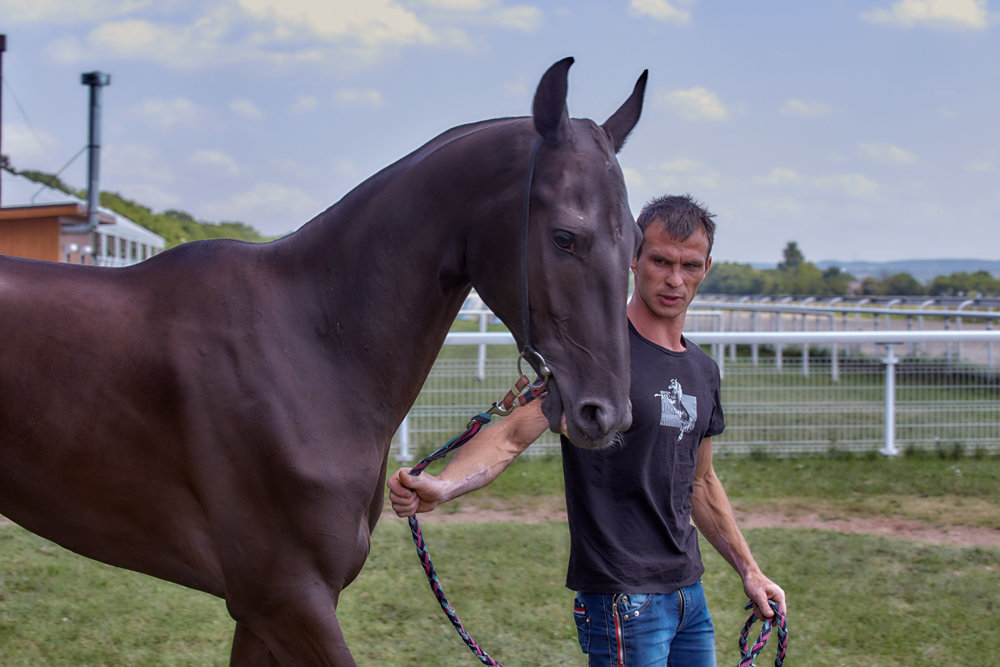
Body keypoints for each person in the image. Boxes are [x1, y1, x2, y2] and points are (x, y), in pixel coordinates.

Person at [388, 194, 785, 666]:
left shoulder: (702, 369)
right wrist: (443, 486)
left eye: (689, 265)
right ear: (634, 258)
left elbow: (700, 481)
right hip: (622, 598)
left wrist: (750, 572)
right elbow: (513, 434)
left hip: (687, 596)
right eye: (660, 261)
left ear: (706, 267)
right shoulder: (593, 357)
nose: (675, 279)